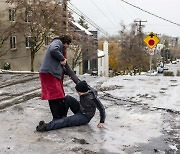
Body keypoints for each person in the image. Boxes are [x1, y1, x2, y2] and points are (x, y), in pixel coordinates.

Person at [36, 80, 105, 132]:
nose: (77, 93)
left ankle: (46, 127)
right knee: (67, 98)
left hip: (84, 117)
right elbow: (75, 77)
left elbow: (101, 108)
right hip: (80, 108)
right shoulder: (86, 87)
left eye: (78, 92)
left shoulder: (93, 99)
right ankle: (62, 117)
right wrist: (65, 67)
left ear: (83, 91)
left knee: (67, 120)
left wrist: (101, 121)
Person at [39, 34, 72, 120]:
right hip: (49, 73)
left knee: (57, 96)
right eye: (68, 44)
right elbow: (53, 50)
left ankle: (59, 117)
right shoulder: (57, 42)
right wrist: (62, 58)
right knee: (55, 96)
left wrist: (69, 73)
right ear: (65, 42)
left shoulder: (60, 46)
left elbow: (60, 66)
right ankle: (58, 118)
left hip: (50, 73)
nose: (68, 47)